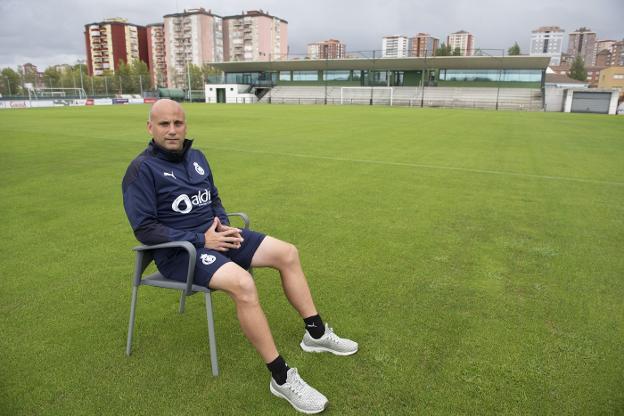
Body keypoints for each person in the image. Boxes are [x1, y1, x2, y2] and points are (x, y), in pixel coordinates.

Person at [122, 99, 357, 414]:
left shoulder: (197, 157)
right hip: (181, 253)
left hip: (217, 237)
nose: (173, 130)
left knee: (287, 253)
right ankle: (281, 378)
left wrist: (222, 225)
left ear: (185, 125)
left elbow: (213, 198)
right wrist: (200, 238)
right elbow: (145, 228)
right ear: (150, 127)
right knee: (244, 284)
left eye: (178, 123)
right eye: (164, 124)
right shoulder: (141, 169)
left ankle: (315, 334)